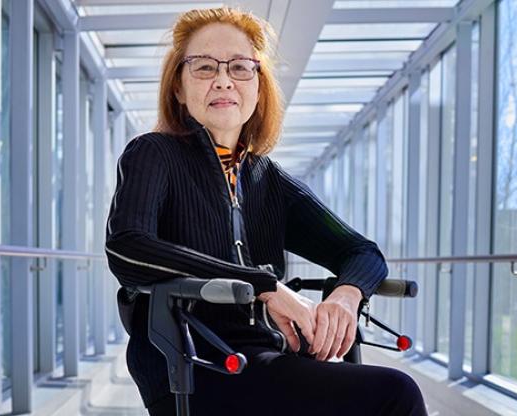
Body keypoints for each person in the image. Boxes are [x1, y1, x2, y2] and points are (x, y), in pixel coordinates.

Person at [105, 6, 427, 416]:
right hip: (192, 366)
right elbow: (127, 249)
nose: (223, 79)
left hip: (269, 358)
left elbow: (361, 252)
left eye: (240, 67)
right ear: (179, 89)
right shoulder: (153, 153)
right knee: (394, 393)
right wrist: (265, 286)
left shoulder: (266, 179)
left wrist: (347, 297)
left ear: (259, 87)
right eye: (204, 67)